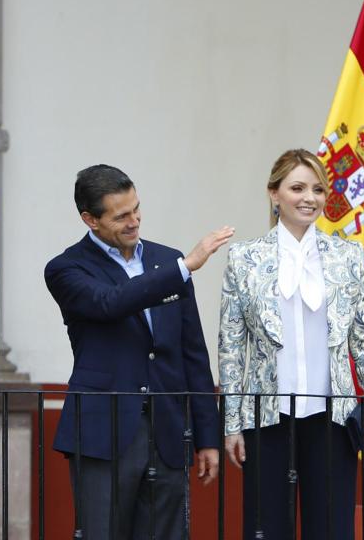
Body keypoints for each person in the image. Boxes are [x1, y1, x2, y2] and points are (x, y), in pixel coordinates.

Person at [44, 164, 233, 539]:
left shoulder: (166, 259)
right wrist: (186, 267)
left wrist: (207, 437)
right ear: (90, 219)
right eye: (121, 216)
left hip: (167, 431)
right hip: (103, 432)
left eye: (136, 209)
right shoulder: (67, 268)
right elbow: (108, 303)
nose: (134, 221)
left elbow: (192, 352)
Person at [218, 148, 364, 540]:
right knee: (266, 529)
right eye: (297, 187)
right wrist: (231, 424)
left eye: (317, 189)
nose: (308, 198)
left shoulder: (349, 255)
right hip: (266, 416)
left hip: (332, 415)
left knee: (331, 528)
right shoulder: (244, 257)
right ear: (274, 193)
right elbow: (231, 347)